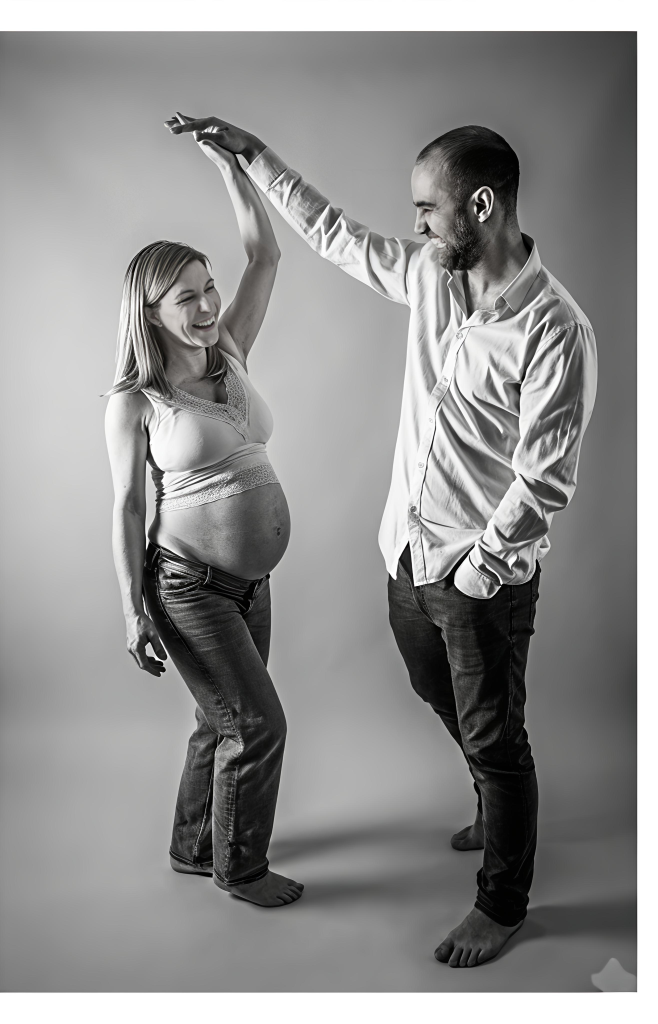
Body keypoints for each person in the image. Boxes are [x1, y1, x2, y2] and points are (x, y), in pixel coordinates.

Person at [167, 114, 597, 964]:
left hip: (479, 577)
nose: (418, 227)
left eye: (428, 210)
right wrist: (254, 157)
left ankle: (502, 903)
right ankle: (492, 797)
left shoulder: (555, 328)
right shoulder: (433, 275)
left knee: (498, 741)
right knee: (443, 697)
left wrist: (477, 572)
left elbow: (544, 480)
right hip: (407, 556)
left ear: (482, 206)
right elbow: (333, 233)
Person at [104, 114, 303, 908]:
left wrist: (230, 164)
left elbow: (266, 255)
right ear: (150, 312)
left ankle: (194, 847)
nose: (207, 304)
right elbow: (127, 506)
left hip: (251, 587)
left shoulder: (233, 354)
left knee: (217, 718)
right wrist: (132, 611)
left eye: (208, 287)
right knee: (256, 726)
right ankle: (239, 869)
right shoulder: (136, 401)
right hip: (187, 588)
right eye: (185, 297)